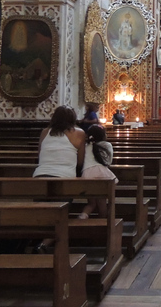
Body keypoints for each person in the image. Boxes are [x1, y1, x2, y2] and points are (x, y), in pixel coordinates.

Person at [33, 105, 86, 253]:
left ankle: (40, 242)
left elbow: (39, 155)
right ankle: (44, 245)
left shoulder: (44, 132)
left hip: (39, 177)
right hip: (63, 179)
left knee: (43, 213)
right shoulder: (79, 133)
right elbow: (80, 161)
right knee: (61, 213)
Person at [78, 124, 118, 220]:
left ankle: (83, 216)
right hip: (101, 174)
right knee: (102, 202)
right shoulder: (106, 145)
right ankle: (103, 222)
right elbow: (108, 162)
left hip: (87, 173)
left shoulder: (86, 146)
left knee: (91, 203)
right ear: (103, 135)